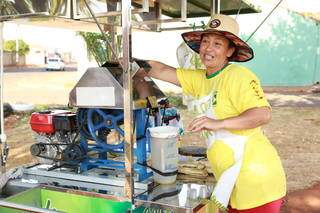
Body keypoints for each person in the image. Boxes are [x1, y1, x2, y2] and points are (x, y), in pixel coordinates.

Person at [139, 14, 286, 213]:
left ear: (230, 51)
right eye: (205, 42)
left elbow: (262, 114)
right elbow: (162, 69)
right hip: (229, 181)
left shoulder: (238, 76)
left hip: (256, 181)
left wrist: (218, 123)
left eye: (217, 43)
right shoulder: (201, 78)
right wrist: (129, 62)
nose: (208, 48)